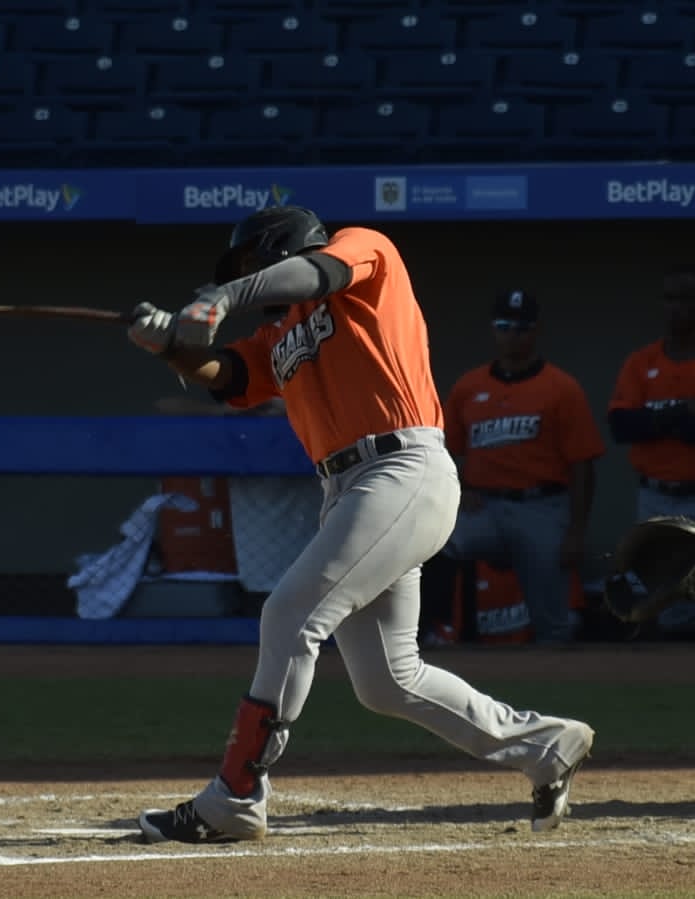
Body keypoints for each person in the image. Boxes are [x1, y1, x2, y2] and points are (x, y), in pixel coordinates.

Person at [123, 205, 595, 845]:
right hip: (348, 489)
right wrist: (168, 348)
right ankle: (544, 745)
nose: (249, 276)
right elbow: (229, 377)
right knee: (388, 680)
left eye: (251, 263)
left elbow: (316, 274)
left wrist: (222, 297)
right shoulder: (279, 335)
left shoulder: (363, 249)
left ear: (279, 246)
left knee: (289, 616)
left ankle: (236, 794)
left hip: (401, 468)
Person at [421, 290, 605, 645]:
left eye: (521, 328)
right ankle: (434, 632)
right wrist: (458, 492)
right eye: (504, 326)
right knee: (431, 544)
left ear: (535, 332)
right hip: (483, 508)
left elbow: (583, 465)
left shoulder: (562, 388)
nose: (512, 335)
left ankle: (563, 681)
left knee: (553, 623)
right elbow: (439, 451)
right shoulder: (469, 387)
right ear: (493, 330)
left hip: (541, 507)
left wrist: (576, 531)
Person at [606, 265, 695, 634]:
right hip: (654, 494)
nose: (676, 307)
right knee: (651, 587)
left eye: (685, 299)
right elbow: (622, 426)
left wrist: (655, 420)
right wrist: (679, 414)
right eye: (669, 298)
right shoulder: (641, 363)